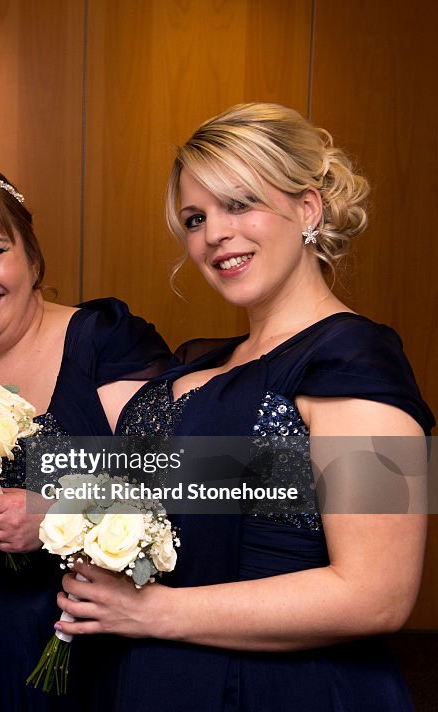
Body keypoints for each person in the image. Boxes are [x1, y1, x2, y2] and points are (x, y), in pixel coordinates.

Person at [57, 102, 434, 710]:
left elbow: (378, 593)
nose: (213, 234)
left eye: (239, 203)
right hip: (152, 683)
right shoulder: (202, 361)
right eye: (194, 217)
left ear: (307, 208)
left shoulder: (355, 357)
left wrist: (155, 612)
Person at [0, 165, 170, 711]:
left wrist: (56, 513)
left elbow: (186, 476)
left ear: (32, 257)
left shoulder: (104, 342)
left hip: (90, 649)